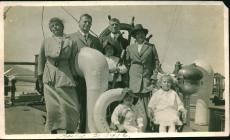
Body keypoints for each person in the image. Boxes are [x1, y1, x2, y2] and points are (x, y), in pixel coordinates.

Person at [37, 17, 80, 134]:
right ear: (50, 29)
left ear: (62, 26)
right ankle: (53, 131)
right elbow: (41, 59)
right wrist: (40, 76)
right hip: (50, 76)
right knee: (52, 108)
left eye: (57, 25)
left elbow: (73, 61)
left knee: (72, 106)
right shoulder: (46, 41)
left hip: (66, 76)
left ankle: (70, 131)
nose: (55, 27)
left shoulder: (71, 41)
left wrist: (75, 76)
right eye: (52, 26)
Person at [125, 24, 160, 130]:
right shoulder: (129, 48)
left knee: (147, 106)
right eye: (137, 34)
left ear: (145, 35)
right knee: (133, 105)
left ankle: (149, 128)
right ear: (134, 36)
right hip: (134, 80)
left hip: (146, 80)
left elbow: (156, 62)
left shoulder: (151, 47)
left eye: (142, 33)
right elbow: (127, 63)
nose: (140, 35)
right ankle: (134, 127)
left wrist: (154, 76)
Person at [100, 18, 130, 88]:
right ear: (109, 27)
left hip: (121, 74)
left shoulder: (125, 42)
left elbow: (127, 58)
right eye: (112, 25)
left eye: (116, 25)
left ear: (119, 27)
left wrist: (120, 68)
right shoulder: (103, 40)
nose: (114, 26)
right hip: (107, 75)